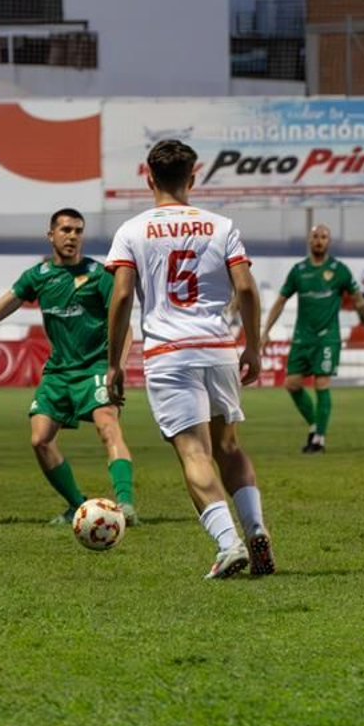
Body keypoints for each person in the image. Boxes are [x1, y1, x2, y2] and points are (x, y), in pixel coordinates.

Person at [104, 140, 274, 580]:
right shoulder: (221, 226)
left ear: (149, 179)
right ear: (193, 179)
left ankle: (228, 544)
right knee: (229, 446)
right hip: (218, 349)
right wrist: (252, 346)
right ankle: (257, 530)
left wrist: (113, 363)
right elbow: (248, 289)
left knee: (194, 452)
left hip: (170, 354)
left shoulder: (133, 231)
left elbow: (122, 295)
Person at [0, 208, 138, 525]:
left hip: (96, 367)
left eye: (78, 230)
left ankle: (126, 505)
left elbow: (126, 328)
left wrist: (116, 368)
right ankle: (79, 507)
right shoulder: (37, 277)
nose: (72, 236)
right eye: (65, 229)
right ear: (50, 234)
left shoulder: (99, 274)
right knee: (40, 440)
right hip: (58, 373)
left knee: (107, 424)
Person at [261, 223, 364, 453]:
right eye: (315, 236)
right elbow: (280, 301)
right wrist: (265, 330)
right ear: (309, 241)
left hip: (328, 337)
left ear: (329, 241)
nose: (319, 240)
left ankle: (318, 440)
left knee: (321, 383)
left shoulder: (340, 270)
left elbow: (358, 301)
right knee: (291, 384)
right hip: (302, 337)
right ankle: (316, 425)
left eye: (323, 237)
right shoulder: (298, 270)